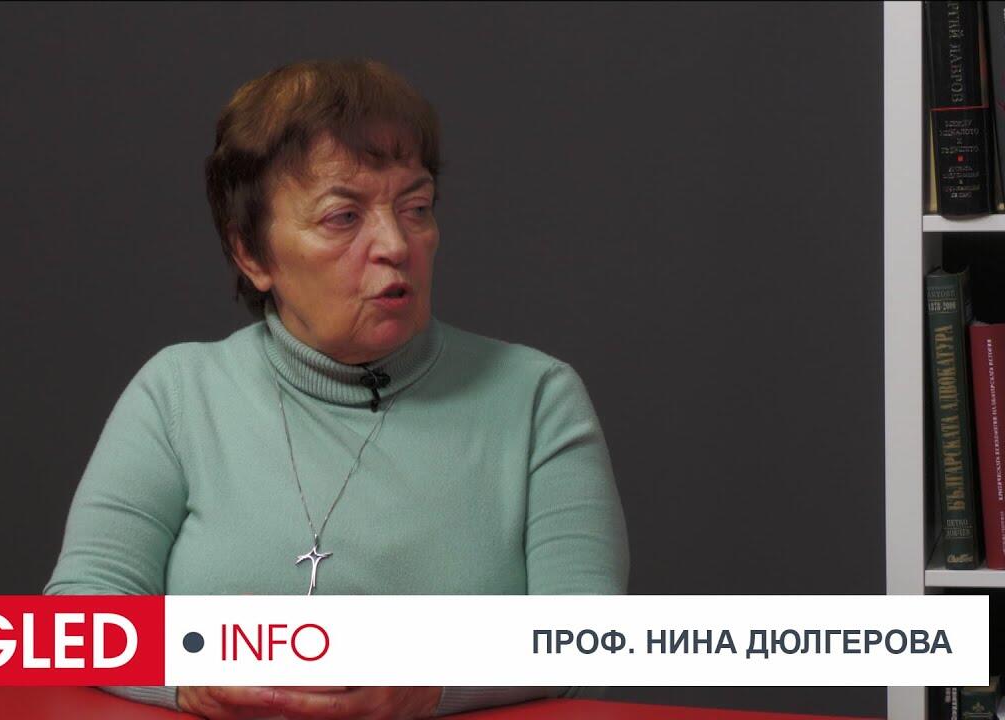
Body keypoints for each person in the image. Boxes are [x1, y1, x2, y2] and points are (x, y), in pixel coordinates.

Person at [44, 58, 630, 719]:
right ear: (251, 253)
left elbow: (590, 638)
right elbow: (76, 621)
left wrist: (431, 684)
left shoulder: (538, 398)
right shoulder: (178, 394)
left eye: (416, 208)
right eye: (344, 216)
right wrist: (188, 674)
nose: (395, 245)